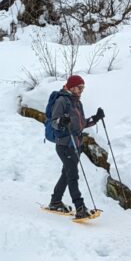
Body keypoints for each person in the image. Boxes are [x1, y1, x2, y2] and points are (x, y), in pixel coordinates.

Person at [46, 75, 103, 220]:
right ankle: (80, 207)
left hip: (76, 144)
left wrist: (95, 118)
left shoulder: (77, 103)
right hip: (65, 145)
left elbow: (81, 124)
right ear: (71, 86)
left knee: (67, 174)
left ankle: (55, 201)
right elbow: (53, 122)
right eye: (79, 87)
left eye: (83, 88)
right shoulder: (61, 101)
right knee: (73, 176)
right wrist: (61, 121)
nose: (81, 90)